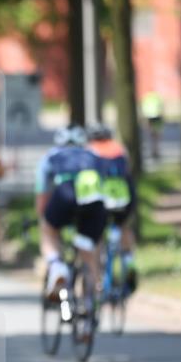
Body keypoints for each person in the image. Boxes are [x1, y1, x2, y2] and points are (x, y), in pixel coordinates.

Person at [35, 125, 107, 303]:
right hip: (93, 199)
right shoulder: (94, 155)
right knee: (89, 243)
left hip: (65, 193)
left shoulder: (51, 156)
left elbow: (42, 193)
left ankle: (57, 266)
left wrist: (43, 217)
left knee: (48, 228)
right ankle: (93, 290)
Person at [87, 123, 137, 292]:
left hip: (101, 198)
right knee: (123, 226)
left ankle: (98, 279)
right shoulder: (120, 149)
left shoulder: (90, 149)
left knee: (97, 233)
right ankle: (129, 262)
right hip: (123, 196)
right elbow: (128, 172)